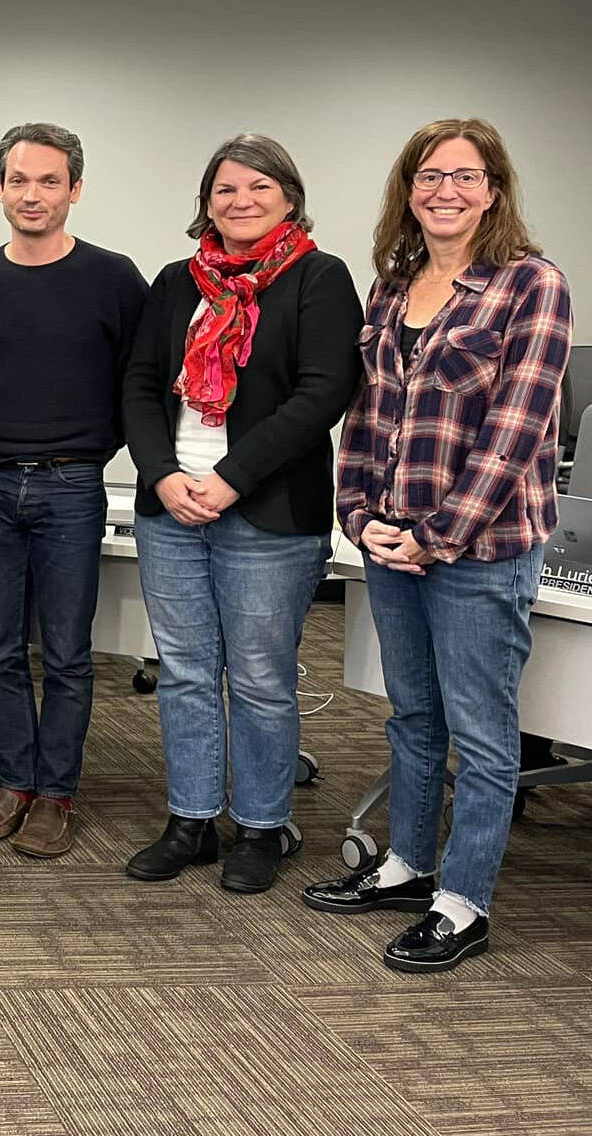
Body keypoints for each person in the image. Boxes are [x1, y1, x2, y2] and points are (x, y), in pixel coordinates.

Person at [307, 119, 572, 973]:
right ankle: (406, 866)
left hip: (479, 551)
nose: (444, 190)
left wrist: (436, 536)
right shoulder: (393, 287)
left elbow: (517, 431)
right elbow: (366, 415)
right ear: (407, 191)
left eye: (463, 175)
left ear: (492, 189)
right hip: (391, 544)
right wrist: (359, 516)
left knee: (482, 733)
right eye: (428, 176)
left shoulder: (531, 285)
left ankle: (462, 904)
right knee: (412, 717)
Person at [120, 134, 362, 895]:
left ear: (287, 196)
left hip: (264, 512)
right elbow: (137, 385)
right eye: (225, 189)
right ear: (206, 203)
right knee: (185, 674)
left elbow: (322, 393)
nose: (241, 200)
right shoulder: (173, 282)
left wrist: (228, 476)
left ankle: (261, 827)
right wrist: (159, 475)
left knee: (260, 678)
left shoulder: (318, 278)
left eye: (258, 186)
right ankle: (190, 819)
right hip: (170, 510)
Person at [0, 124, 149, 857]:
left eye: (48, 181)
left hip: (72, 485)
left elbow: (140, 385)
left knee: (65, 653)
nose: (31, 195)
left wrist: (92, 452)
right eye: (18, 181)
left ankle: (56, 795)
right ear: (0, 188)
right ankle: (13, 783)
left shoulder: (114, 278)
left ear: (74, 189)